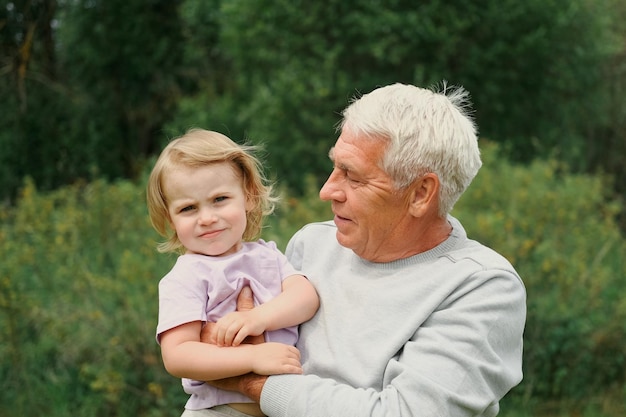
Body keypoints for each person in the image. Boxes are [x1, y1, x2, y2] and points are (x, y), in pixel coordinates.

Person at [202, 82, 527, 417]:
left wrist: (256, 384)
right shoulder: (312, 244)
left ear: (421, 193)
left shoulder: (483, 287)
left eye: (353, 176)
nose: (327, 191)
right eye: (335, 167)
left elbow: (402, 413)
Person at [146, 129, 320, 417]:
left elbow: (305, 297)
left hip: (284, 407)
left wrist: (256, 318)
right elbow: (177, 355)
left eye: (220, 199)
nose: (207, 218)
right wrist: (251, 356)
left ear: (249, 196)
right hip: (219, 410)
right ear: (170, 219)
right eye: (188, 208)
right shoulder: (186, 276)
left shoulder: (268, 255)